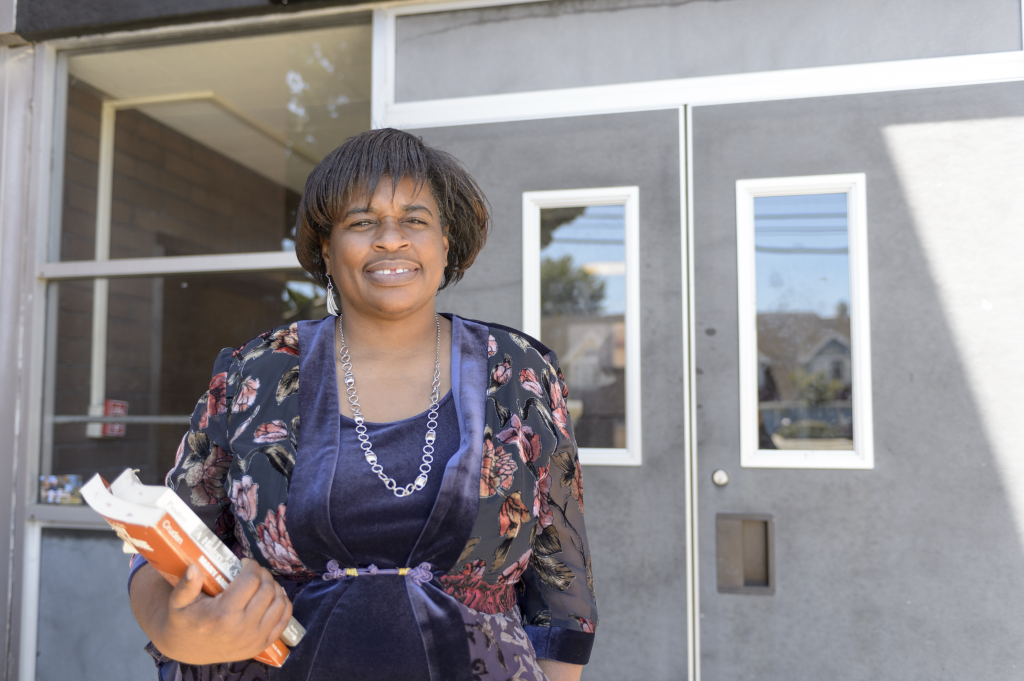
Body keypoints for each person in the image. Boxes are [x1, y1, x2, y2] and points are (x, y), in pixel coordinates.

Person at [127, 128, 598, 681]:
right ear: (326, 247)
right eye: (361, 222)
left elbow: (562, 583)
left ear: (447, 241)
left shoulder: (519, 372)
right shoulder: (254, 372)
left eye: (415, 220)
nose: (390, 239)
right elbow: (165, 546)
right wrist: (177, 627)